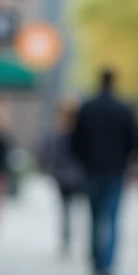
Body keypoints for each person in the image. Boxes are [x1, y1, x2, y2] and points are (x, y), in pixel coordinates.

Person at [70, 68, 138, 275]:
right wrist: (126, 162)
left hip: (92, 171)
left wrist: (85, 162)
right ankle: (107, 266)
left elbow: (75, 142)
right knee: (111, 218)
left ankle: (96, 263)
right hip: (115, 171)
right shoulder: (124, 109)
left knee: (95, 216)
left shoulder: (87, 108)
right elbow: (134, 142)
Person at [38, 98, 87, 256]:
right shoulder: (81, 132)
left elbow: (47, 153)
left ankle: (67, 239)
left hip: (62, 176)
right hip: (79, 176)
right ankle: (79, 240)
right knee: (81, 209)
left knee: (65, 209)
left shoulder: (57, 131)